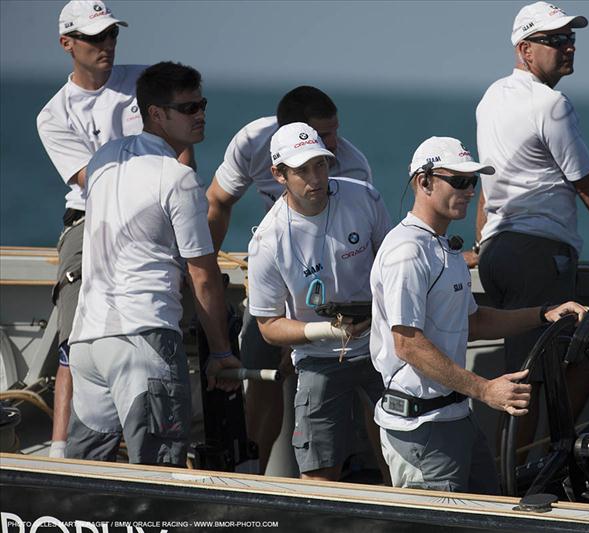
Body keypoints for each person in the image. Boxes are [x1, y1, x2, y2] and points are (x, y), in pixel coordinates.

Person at [473, 1, 589, 451]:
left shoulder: (492, 97)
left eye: (570, 38)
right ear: (524, 49)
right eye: (555, 40)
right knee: (532, 379)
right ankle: (529, 472)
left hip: (500, 254)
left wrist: (483, 241)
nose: (568, 47)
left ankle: (535, 463)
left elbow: (487, 183)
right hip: (539, 256)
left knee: (559, 359)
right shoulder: (552, 105)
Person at [370, 136, 589, 493]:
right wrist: (485, 390)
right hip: (424, 430)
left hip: (457, 420)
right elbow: (407, 344)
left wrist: (544, 313)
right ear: (424, 182)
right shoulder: (407, 252)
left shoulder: (443, 248)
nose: (470, 190)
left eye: (472, 181)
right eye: (458, 181)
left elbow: (474, 322)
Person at [36, 0, 191, 458]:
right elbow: (97, 182)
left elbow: (183, 148)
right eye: (94, 38)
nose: (107, 44)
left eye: (111, 35)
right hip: (90, 218)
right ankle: (63, 453)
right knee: (75, 326)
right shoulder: (54, 115)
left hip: (159, 205)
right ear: (67, 44)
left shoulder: (144, 82)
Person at [66, 62, 240, 465]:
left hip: (88, 343)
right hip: (143, 341)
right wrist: (219, 352)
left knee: (83, 479)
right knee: (158, 474)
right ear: (156, 114)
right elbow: (202, 273)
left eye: (203, 104)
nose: (199, 115)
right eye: (188, 107)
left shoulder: (104, 159)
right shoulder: (177, 179)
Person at [206, 86, 372, 473]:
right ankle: (253, 473)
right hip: (277, 269)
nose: (333, 144)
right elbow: (217, 201)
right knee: (261, 367)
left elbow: (359, 252)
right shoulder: (251, 142)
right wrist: (203, 266)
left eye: (333, 133)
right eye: (322, 135)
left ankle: (370, 475)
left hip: (329, 285)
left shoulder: (353, 168)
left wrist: (306, 329)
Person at [247, 122, 390, 481]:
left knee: (399, 458)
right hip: (318, 359)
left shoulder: (364, 197)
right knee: (319, 474)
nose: (315, 178)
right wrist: (326, 330)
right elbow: (268, 326)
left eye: (321, 165)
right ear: (278, 175)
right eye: (302, 170)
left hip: (380, 345)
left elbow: (393, 266)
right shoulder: (267, 241)